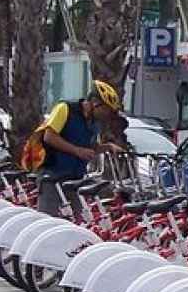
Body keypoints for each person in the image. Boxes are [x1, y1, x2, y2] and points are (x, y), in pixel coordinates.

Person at [35, 79, 123, 214]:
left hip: (75, 179)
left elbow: (89, 148)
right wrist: (76, 151)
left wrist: (108, 147)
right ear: (95, 103)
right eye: (106, 109)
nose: (107, 114)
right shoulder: (65, 109)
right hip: (53, 177)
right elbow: (49, 136)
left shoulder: (95, 122)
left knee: (79, 221)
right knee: (48, 221)